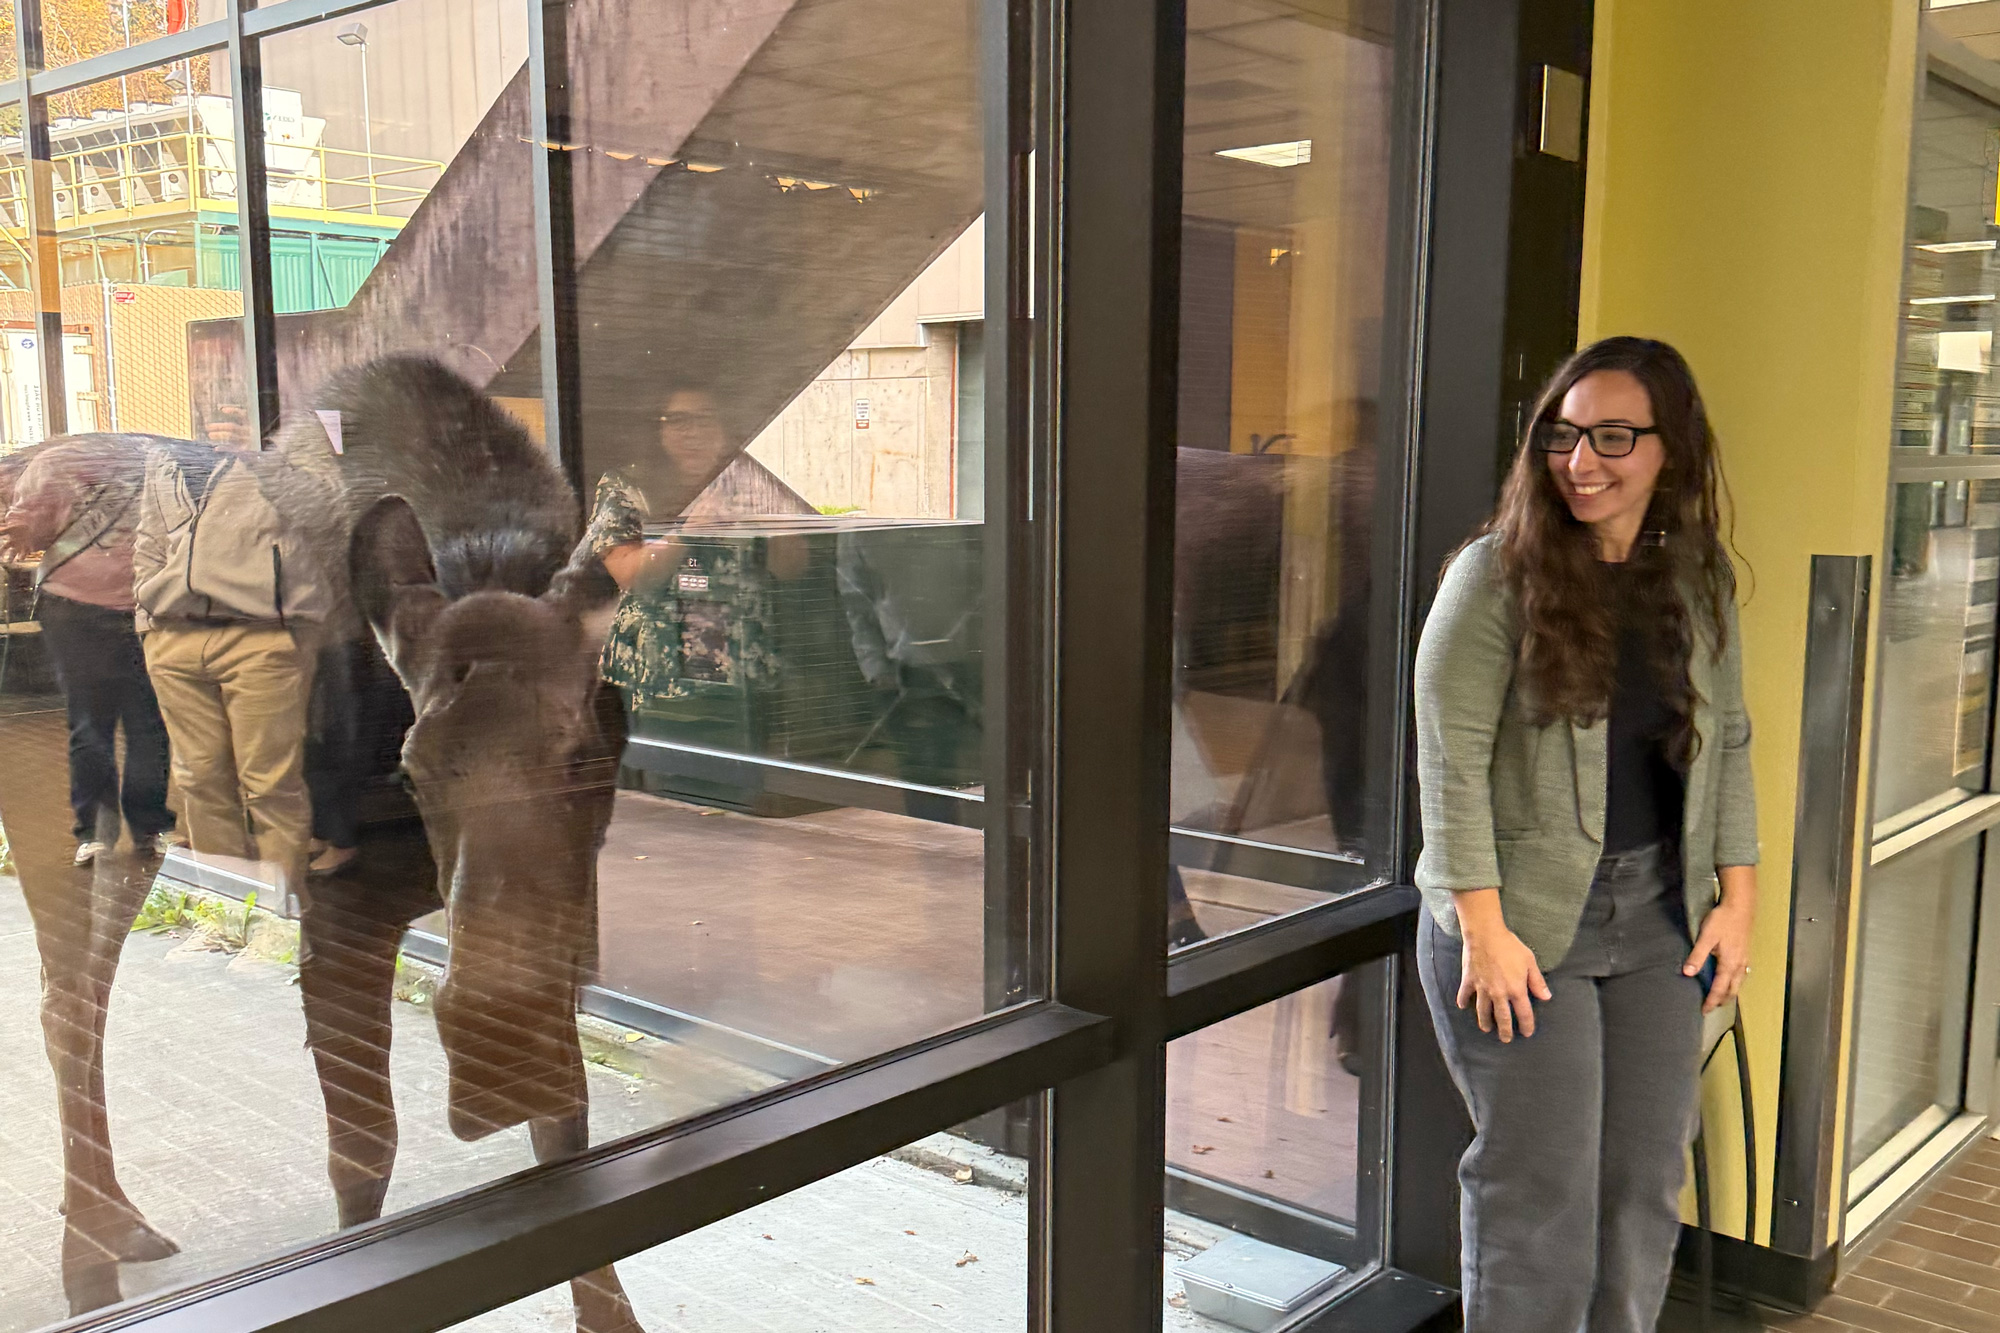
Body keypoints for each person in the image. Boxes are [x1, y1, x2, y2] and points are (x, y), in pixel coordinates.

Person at [1412, 336, 1758, 1333]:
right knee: (1541, 1194)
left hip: (1658, 917)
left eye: (1613, 436)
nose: (1580, 461)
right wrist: (1481, 928)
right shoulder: (1493, 577)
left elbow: (1726, 743)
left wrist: (1736, 900)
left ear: (1669, 449)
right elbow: (1447, 763)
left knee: (1643, 1182)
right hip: (1516, 925)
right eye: (1562, 436)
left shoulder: (1693, 580)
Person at [133, 435, 344, 905]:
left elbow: (328, 515)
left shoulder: (295, 451)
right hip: (173, 635)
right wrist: (147, 616)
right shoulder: (167, 459)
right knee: (200, 781)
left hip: (264, 632)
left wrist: (263, 456)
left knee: (270, 784)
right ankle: (226, 915)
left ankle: (278, 918)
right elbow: (149, 540)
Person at [0, 435, 176, 865]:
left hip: (79, 602)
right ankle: (147, 827)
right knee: (145, 722)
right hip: (133, 603)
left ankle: (100, 832)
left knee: (95, 721)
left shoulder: (56, 462)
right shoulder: (151, 458)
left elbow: (27, 530)